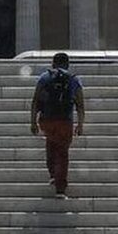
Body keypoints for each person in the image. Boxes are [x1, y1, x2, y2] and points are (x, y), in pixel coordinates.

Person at [30, 52, 85, 199]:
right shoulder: (73, 79)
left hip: (47, 120)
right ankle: (60, 188)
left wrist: (33, 121)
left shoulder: (44, 77)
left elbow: (35, 100)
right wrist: (80, 124)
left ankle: (53, 174)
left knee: (51, 145)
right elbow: (80, 104)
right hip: (65, 121)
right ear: (67, 64)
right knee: (62, 152)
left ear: (53, 63)